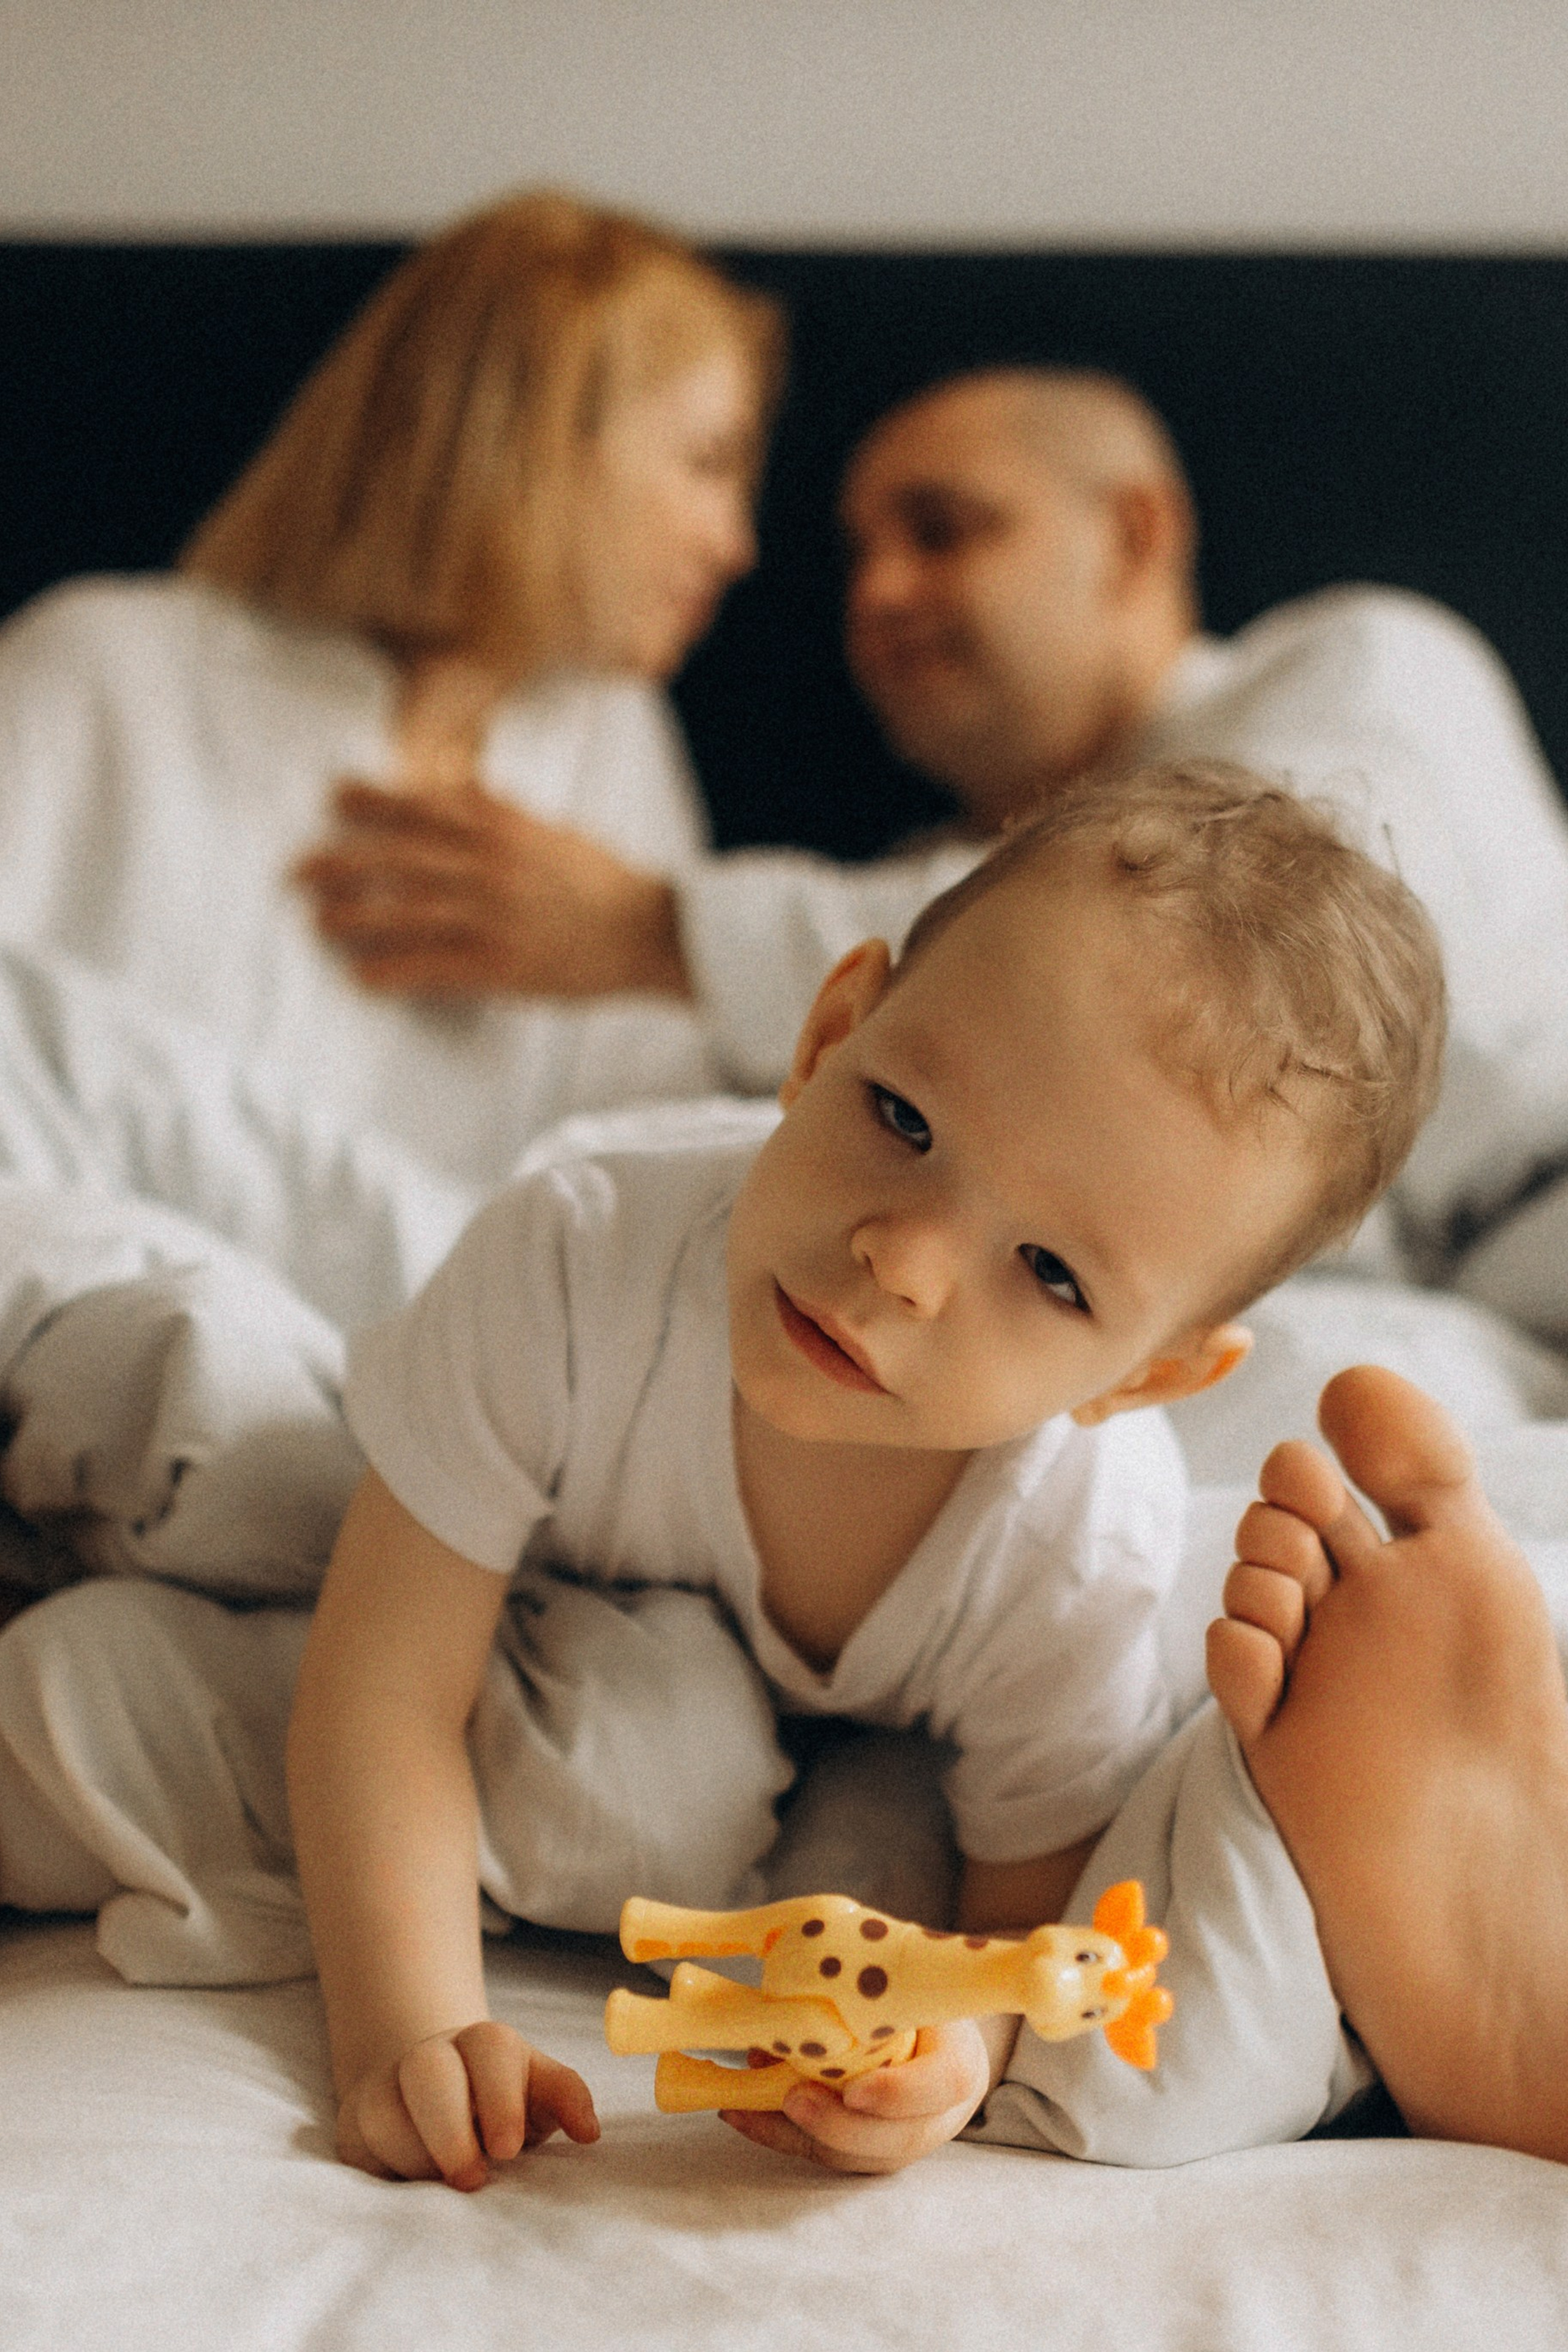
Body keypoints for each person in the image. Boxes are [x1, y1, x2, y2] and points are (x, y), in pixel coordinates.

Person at [271, 760, 1441, 2186]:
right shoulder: (568, 1269)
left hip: (887, 1728)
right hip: (557, 1595)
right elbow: (384, 1692)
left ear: (1140, 1378)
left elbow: (1011, 1947)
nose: (902, 1261)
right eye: (903, 1119)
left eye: (1053, 1275)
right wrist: (416, 2033)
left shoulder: (1075, 1550)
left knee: (939, 1892)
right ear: (830, 1031)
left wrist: (947, 2067)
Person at [437, 366, 1568, 1269]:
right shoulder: (912, 887)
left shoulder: (1364, 666)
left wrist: (656, 930)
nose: (875, 594)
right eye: (859, 558)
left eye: (941, 531)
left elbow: (1220, 935)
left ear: (1132, 534)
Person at [0, 189, 780, 1186]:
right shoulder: (103, 675)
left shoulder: (606, 738)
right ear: (531, 435)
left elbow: (635, 1177)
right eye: (708, 464)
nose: (734, 543)